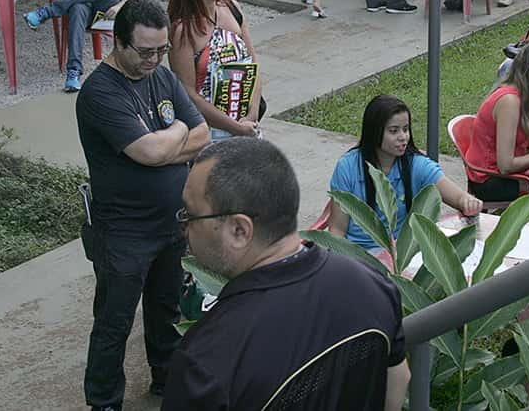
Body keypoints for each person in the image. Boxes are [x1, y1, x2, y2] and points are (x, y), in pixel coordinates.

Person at [164, 137, 410, 410]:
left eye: (190, 214)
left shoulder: (206, 361)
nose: (184, 226)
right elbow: (398, 380)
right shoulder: (372, 284)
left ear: (239, 230)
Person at [76, 0, 210, 411]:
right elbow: (150, 153)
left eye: (161, 50)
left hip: (171, 224)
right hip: (124, 233)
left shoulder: (163, 77)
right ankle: (103, 401)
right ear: (118, 43)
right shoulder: (99, 92)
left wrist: (164, 144)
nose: (155, 59)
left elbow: (203, 134)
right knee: (114, 323)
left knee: (166, 310)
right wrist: (175, 132)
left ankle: (166, 380)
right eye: (146, 51)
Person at [329, 95, 482, 250]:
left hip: (401, 257)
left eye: (406, 129)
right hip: (359, 256)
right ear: (374, 131)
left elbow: (458, 197)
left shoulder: (416, 165)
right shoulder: (347, 167)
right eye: (394, 131)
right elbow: (337, 230)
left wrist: (468, 201)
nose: (403, 137)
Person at [167, 0, 264, 141]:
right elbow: (189, 94)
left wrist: (251, 116)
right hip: (210, 132)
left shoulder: (232, 8)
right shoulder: (183, 30)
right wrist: (235, 127)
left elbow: (254, 66)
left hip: (248, 125)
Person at [464, 42, 529, 220]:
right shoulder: (509, 102)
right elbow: (506, 165)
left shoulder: (525, 92)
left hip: (502, 173)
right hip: (489, 180)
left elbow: (528, 130)